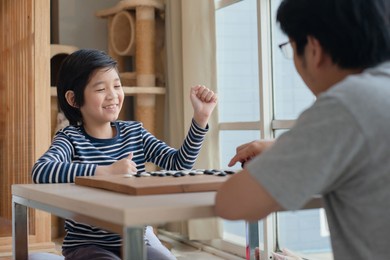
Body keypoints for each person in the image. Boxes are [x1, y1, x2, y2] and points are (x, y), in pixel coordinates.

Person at [215, 0, 390, 259]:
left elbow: (232, 204)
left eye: (292, 49)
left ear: (314, 49)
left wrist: (283, 154)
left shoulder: (347, 104)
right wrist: (285, 149)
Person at [31, 49, 217, 260]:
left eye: (117, 86)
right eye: (101, 88)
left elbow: (179, 165)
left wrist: (200, 120)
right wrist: (105, 172)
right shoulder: (70, 138)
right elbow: (41, 170)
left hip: (135, 240)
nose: (113, 95)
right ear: (74, 99)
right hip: (87, 246)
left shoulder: (134, 133)